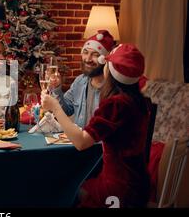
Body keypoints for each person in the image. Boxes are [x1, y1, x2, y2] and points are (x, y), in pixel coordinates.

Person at [41, 43, 150, 208]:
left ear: (111, 70)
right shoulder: (137, 100)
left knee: (61, 188)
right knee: (77, 189)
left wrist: (55, 107)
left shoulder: (115, 104)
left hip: (118, 189)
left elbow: (81, 142)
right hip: (137, 182)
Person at [49, 30, 115, 128]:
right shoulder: (80, 81)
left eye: (95, 55)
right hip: (79, 141)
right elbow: (66, 110)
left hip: (100, 143)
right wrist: (57, 87)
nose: (88, 59)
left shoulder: (113, 88)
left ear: (104, 59)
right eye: (85, 52)